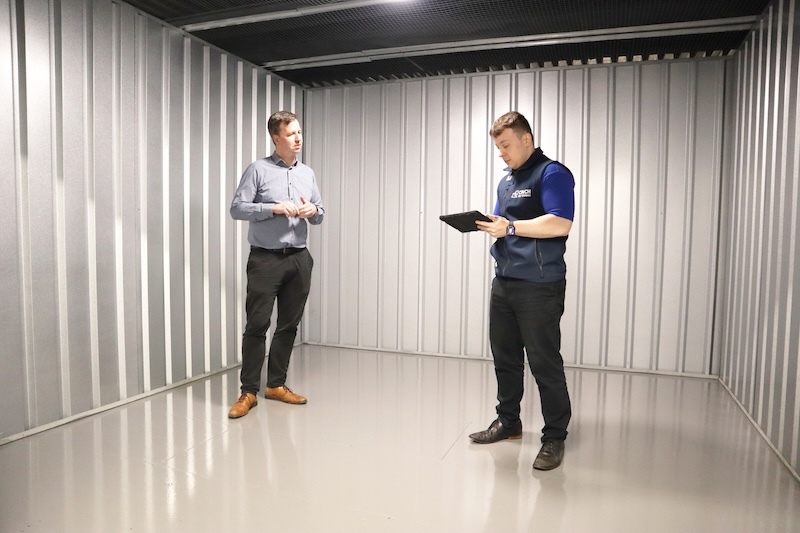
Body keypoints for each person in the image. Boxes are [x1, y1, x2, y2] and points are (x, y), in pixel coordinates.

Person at [472, 111, 574, 471]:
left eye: (505, 146)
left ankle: (554, 437)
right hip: (505, 282)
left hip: (540, 285)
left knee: (545, 362)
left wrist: (511, 228)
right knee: (505, 358)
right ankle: (509, 422)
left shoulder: (552, 173)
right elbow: (502, 222)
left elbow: (561, 222)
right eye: (497, 147)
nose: (501, 153)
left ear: (526, 139)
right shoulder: (506, 181)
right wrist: (486, 223)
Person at [227, 110, 325, 419]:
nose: (298, 138)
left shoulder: (307, 173)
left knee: (288, 326)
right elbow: (237, 209)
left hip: (299, 258)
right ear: (276, 138)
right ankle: (248, 392)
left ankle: (276, 385)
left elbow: (320, 212)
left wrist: (313, 210)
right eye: (292, 133)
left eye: (300, 132)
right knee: (257, 326)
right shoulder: (257, 170)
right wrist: (273, 208)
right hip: (265, 259)